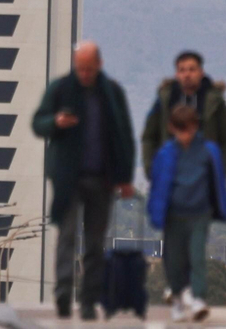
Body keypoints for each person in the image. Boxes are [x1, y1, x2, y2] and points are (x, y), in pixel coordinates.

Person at [31, 41, 136, 321]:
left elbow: (124, 136)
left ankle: (89, 301)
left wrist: (125, 178)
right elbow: (37, 123)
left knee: (94, 244)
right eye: (80, 68)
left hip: (102, 180)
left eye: (89, 69)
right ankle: (64, 295)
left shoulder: (111, 93)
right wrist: (56, 121)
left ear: (98, 65)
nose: (85, 74)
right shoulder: (61, 89)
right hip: (68, 179)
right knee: (66, 237)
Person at [147, 105, 226, 323]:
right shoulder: (165, 154)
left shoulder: (208, 150)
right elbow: (158, 186)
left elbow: (218, 181)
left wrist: (221, 207)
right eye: (180, 129)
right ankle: (177, 299)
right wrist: (156, 214)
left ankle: (198, 299)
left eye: (189, 128)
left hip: (199, 214)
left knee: (197, 256)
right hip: (173, 215)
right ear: (172, 128)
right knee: (174, 260)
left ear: (196, 126)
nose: (185, 134)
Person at [139, 50, 226, 173]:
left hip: (204, 171)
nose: (187, 75)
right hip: (170, 169)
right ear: (176, 74)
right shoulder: (165, 100)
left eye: (192, 70)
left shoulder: (214, 101)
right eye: (182, 70)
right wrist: (151, 168)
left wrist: (221, 171)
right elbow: (149, 136)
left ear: (201, 72)